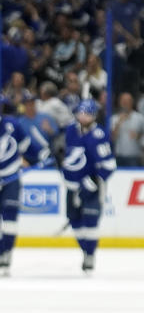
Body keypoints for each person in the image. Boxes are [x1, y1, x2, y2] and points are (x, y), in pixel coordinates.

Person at [0, 93, 50, 276]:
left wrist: (42, 156)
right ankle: (1, 254)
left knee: (9, 214)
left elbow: (27, 146)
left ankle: (7, 256)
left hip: (11, 177)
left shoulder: (11, 125)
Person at [62, 100, 117, 274]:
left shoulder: (99, 135)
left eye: (87, 113)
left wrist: (93, 180)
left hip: (92, 187)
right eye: (81, 113)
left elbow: (109, 165)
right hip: (72, 185)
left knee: (91, 220)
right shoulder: (71, 130)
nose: (82, 116)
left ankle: (90, 255)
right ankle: (85, 249)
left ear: (93, 116)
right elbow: (68, 154)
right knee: (74, 219)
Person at [110, 92, 144, 167]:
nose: (125, 103)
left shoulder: (140, 118)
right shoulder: (113, 119)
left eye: (128, 100)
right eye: (123, 100)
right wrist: (118, 123)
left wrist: (139, 136)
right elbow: (111, 139)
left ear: (132, 102)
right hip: (117, 156)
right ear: (119, 102)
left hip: (134, 157)